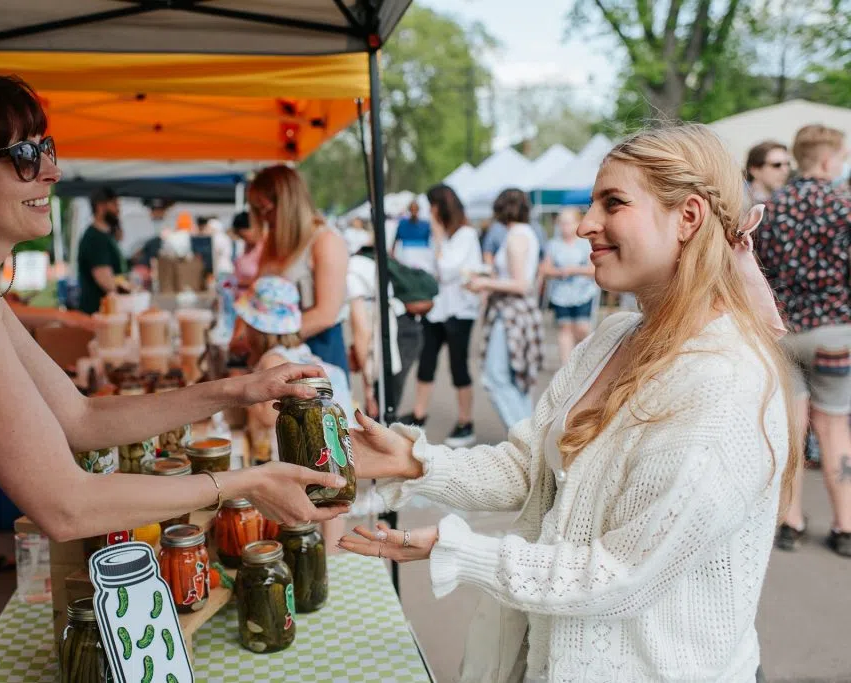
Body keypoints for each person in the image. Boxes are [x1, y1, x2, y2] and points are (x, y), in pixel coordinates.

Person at [0, 73, 348, 683]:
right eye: (24, 155)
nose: (50, 171)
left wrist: (237, 389)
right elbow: (65, 505)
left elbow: (80, 419)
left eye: (45, 150)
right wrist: (246, 481)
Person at [340, 124, 798, 682]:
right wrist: (415, 461)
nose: (585, 226)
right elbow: (530, 465)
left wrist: (458, 550)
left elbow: (623, 573)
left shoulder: (723, 381)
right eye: (589, 205)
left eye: (614, 203)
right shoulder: (615, 336)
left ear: (689, 216)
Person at [756, 124, 851, 557]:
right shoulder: (843, 206)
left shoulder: (770, 208)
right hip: (833, 331)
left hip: (783, 332)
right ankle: (844, 526)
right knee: (833, 429)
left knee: (791, 431)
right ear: (830, 160)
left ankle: (789, 521)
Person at [230, 275, 353, 553]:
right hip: (332, 447)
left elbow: (264, 417)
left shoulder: (271, 361)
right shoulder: (302, 352)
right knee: (332, 501)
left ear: (256, 328)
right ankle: (332, 557)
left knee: (298, 512)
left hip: (296, 447)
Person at [398, 184, 482, 448]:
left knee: (458, 365)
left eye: (432, 206)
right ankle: (419, 414)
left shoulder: (465, 234)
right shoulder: (446, 235)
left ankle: (465, 421)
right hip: (437, 310)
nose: (429, 212)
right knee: (426, 361)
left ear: (441, 207)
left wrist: (435, 236)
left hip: (459, 310)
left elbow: (445, 269)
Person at [249, 165, 350, 373]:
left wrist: (272, 340)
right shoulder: (271, 242)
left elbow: (326, 314)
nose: (264, 219)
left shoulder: (325, 241)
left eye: (266, 210)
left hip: (318, 349)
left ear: (288, 204)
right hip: (277, 351)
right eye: (258, 211)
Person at [466, 188, 543, 430]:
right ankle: (529, 438)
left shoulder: (516, 237)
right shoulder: (525, 233)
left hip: (511, 312)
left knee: (494, 376)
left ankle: (524, 438)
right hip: (517, 311)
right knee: (515, 378)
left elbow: (521, 284)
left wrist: (484, 283)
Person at [347, 232, 403, 418]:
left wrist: (369, 392)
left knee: (382, 406)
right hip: (398, 320)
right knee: (386, 401)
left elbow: (362, 334)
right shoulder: (360, 265)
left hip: (394, 327)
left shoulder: (350, 275)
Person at [541, 207, 600, 366]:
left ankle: (585, 362)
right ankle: (566, 366)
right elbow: (545, 269)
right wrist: (559, 272)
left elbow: (593, 269)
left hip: (583, 293)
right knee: (564, 329)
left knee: (582, 328)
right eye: (562, 223)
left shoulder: (585, 244)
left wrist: (574, 270)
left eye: (568, 223)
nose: (564, 227)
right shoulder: (553, 245)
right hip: (561, 295)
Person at [76, 186, 127, 314]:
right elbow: (106, 281)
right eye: (114, 204)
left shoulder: (104, 236)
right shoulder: (95, 238)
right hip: (98, 312)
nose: (118, 210)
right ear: (100, 206)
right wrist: (129, 294)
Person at [392, 200, 435, 275]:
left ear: (418, 210)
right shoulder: (402, 224)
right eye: (412, 209)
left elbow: (431, 243)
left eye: (415, 209)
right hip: (406, 255)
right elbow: (396, 240)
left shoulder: (425, 225)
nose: (414, 211)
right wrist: (392, 252)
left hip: (422, 256)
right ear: (409, 210)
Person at [231, 211, 264, 288]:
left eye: (244, 236)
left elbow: (266, 279)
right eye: (241, 237)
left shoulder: (265, 247)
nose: (244, 240)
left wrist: (240, 282)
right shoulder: (247, 247)